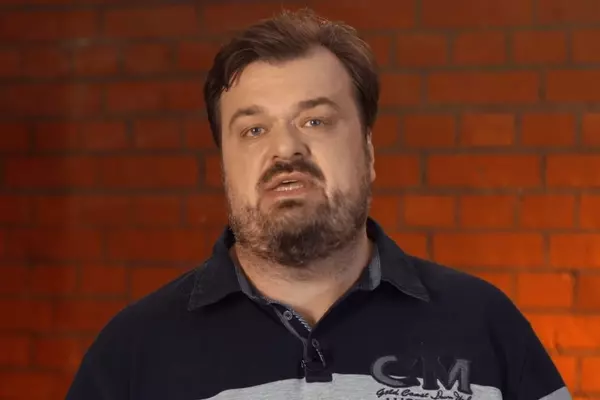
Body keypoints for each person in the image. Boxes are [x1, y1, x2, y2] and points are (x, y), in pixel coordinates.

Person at [66, 9, 571, 400]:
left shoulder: (484, 323)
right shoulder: (132, 352)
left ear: (368, 152)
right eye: (253, 129)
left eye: (315, 121)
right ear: (224, 164)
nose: (285, 149)